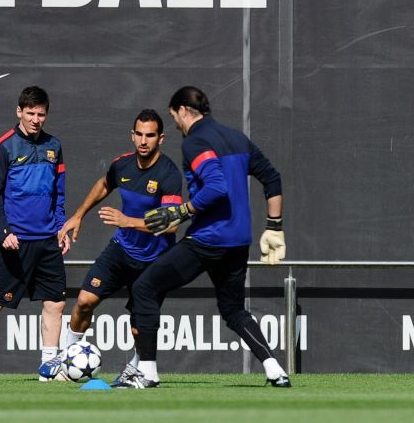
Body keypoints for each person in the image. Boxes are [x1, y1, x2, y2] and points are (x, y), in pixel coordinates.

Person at [112, 86, 289, 388]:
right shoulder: (236, 137)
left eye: (173, 117)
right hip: (237, 242)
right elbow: (272, 178)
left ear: (183, 110)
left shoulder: (195, 141)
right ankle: (275, 369)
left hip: (208, 240)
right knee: (233, 309)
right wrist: (274, 227)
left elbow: (216, 186)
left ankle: (148, 372)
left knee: (144, 287)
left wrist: (181, 211)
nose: (176, 124)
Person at [56, 109, 183, 386]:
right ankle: (65, 359)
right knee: (84, 302)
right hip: (121, 251)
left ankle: (137, 370)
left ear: (161, 138)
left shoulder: (169, 174)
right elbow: (104, 185)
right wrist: (78, 215)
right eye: (139, 134)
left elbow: (172, 224)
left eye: (150, 135)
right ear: (132, 135)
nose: (143, 141)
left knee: (140, 326)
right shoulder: (122, 165)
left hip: (154, 260)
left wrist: (128, 220)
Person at [0, 86, 70, 382]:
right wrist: (3, 230)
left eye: (41, 114)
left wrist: (61, 227)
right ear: (18, 111)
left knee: (55, 303)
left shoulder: (54, 146)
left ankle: (49, 367)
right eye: (31, 113)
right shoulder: (4, 146)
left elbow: (59, 193)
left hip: (47, 239)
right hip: (14, 241)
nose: (36, 119)